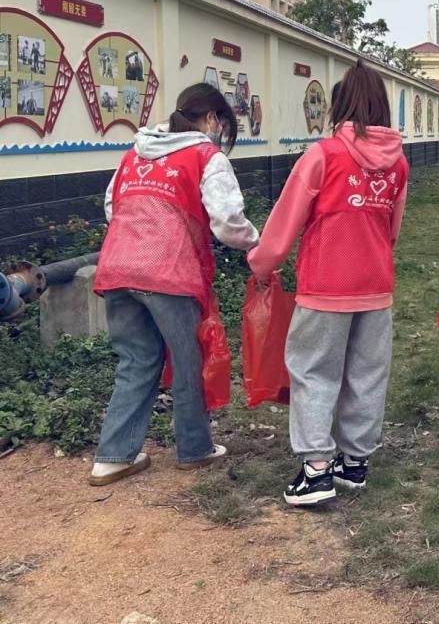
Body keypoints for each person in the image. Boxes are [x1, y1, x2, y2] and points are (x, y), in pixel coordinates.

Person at [249, 61, 410, 506]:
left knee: (314, 372)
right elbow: (392, 231)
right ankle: (353, 462)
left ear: (340, 106)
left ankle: (316, 470)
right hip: (376, 284)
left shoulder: (322, 156)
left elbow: (286, 219)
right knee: (367, 373)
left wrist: (262, 263)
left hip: (326, 284)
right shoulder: (399, 164)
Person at [90, 83, 260, 486]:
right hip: (171, 274)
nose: (221, 133)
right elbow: (227, 221)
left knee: (136, 361)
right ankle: (195, 449)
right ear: (213, 118)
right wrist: (259, 244)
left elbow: (113, 206)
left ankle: (112, 458)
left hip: (117, 269)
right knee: (188, 363)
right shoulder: (206, 156)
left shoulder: (135, 152)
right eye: (224, 124)